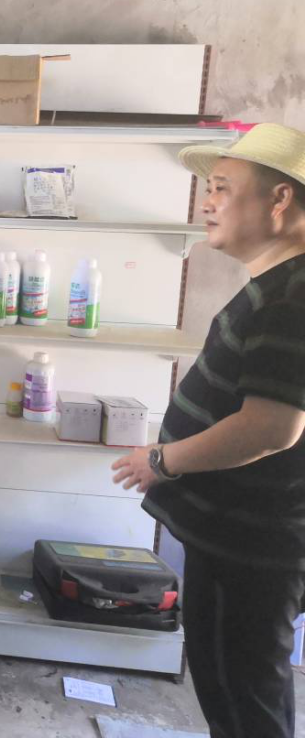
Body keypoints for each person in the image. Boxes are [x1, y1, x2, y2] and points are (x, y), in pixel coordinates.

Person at [112, 123, 305, 738]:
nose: (207, 202)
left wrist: (161, 461)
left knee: (241, 698)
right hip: (246, 537)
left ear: (280, 199)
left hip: (248, 545)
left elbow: (271, 428)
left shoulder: (291, 297)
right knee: (246, 688)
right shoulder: (280, 283)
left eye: (222, 187)